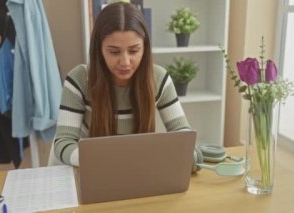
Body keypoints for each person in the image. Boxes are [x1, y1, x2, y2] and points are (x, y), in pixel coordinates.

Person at [53, 2, 191, 166]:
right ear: (99, 49)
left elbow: (182, 133)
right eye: (114, 52)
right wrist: (104, 162)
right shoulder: (80, 79)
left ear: (144, 48)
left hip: (138, 170)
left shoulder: (158, 78)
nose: (125, 62)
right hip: (92, 170)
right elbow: (64, 143)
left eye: (134, 51)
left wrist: (190, 153)